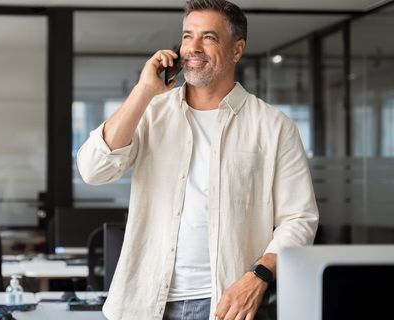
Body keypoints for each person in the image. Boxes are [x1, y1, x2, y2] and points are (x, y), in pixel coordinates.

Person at [76, 0, 319, 319]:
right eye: (188, 36)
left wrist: (257, 277)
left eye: (209, 37)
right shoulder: (151, 112)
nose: (193, 47)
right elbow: (94, 170)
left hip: (227, 303)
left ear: (237, 50)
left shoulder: (273, 127)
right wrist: (143, 91)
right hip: (145, 301)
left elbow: (299, 219)